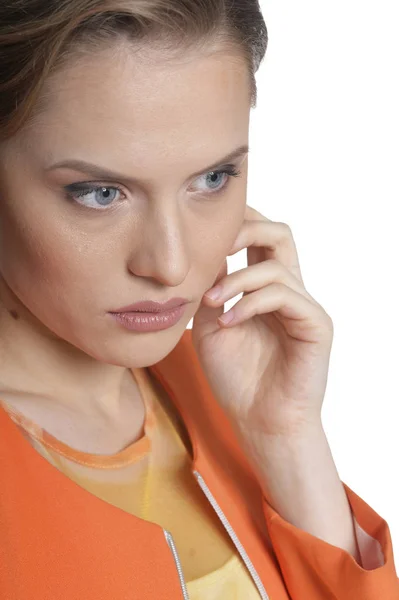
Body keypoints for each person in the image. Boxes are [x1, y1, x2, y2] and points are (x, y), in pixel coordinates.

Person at [0, 1, 397, 598]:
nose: (172, 264)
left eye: (212, 179)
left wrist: (287, 441)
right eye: (100, 192)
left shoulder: (226, 387)